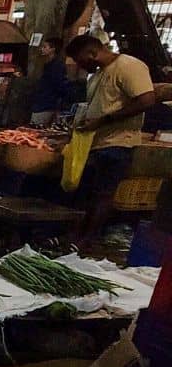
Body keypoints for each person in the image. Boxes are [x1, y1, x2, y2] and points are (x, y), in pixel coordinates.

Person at [65, 34, 157, 239]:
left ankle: (86, 241)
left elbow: (146, 100)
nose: (80, 65)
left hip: (118, 143)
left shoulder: (129, 66)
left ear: (92, 53)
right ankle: (74, 238)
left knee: (103, 194)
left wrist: (103, 121)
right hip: (95, 143)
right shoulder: (98, 74)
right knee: (86, 193)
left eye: (80, 60)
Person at [30, 37, 70, 127]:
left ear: (53, 49)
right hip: (42, 103)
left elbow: (60, 86)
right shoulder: (48, 65)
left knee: (36, 132)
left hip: (46, 105)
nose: (42, 49)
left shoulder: (57, 66)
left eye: (45, 47)